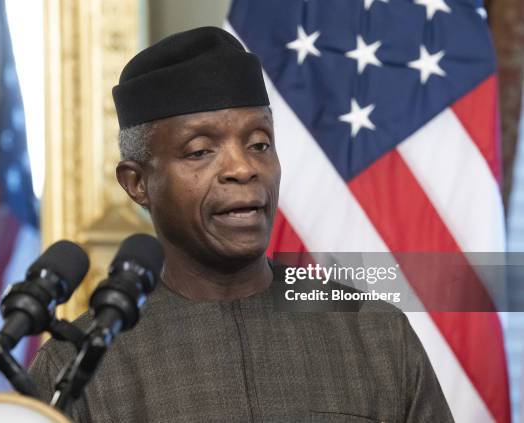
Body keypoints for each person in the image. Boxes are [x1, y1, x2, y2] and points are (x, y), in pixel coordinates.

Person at [29, 26, 454, 422]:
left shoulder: (375, 334)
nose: (243, 168)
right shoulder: (78, 366)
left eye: (259, 144)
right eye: (199, 151)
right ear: (137, 183)